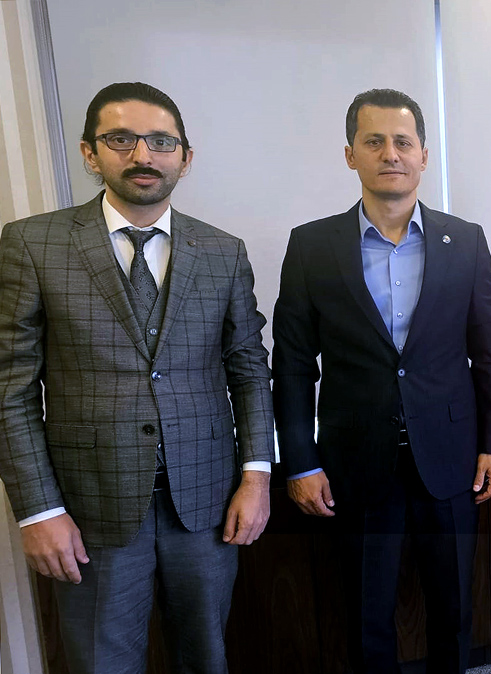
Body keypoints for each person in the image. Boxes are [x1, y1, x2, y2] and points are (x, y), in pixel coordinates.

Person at [0, 82, 274, 673]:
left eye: (161, 142)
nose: (143, 155)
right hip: (88, 507)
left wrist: (256, 477)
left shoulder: (223, 251)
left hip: (206, 502)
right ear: (90, 152)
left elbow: (249, 368)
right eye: (121, 139)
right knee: (102, 663)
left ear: (186, 157)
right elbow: (9, 390)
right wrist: (38, 511)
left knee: (206, 658)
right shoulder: (33, 244)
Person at [272, 88, 491, 674]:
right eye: (373, 141)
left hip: (451, 458)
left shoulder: (466, 241)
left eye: (403, 142)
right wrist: (300, 462)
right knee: (366, 614)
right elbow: (294, 363)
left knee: (453, 610)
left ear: (424, 155)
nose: (390, 154)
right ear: (350, 154)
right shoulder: (311, 246)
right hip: (355, 461)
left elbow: (489, 354)